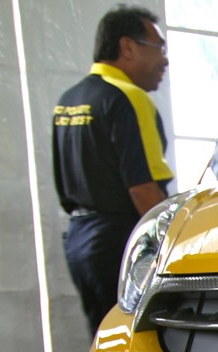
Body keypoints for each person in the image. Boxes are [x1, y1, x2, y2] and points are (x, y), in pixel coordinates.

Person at [52, 4, 173, 334]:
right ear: (128, 47)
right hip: (120, 241)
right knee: (137, 339)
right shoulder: (128, 98)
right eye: (159, 48)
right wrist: (177, 244)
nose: (164, 60)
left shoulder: (69, 100)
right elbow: (143, 190)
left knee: (103, 336)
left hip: (80, 240)